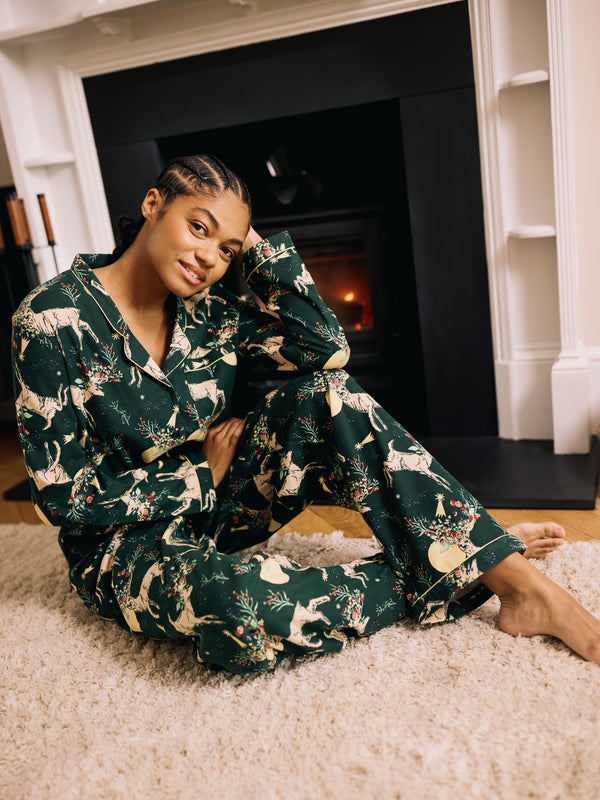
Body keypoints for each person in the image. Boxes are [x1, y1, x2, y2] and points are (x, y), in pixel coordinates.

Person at [12, 154, 599, 674]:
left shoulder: (209, 315)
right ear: (152, 203)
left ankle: (518, 586)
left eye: (226, 250)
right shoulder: (48, 320)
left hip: (221, 510)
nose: (208, 258)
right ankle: (469, 554)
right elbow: (62, 497)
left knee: (329, 394)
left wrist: (254, 246)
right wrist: (200, 475)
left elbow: (325, 349)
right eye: (198, 227)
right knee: (239, 607)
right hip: (122, 550)